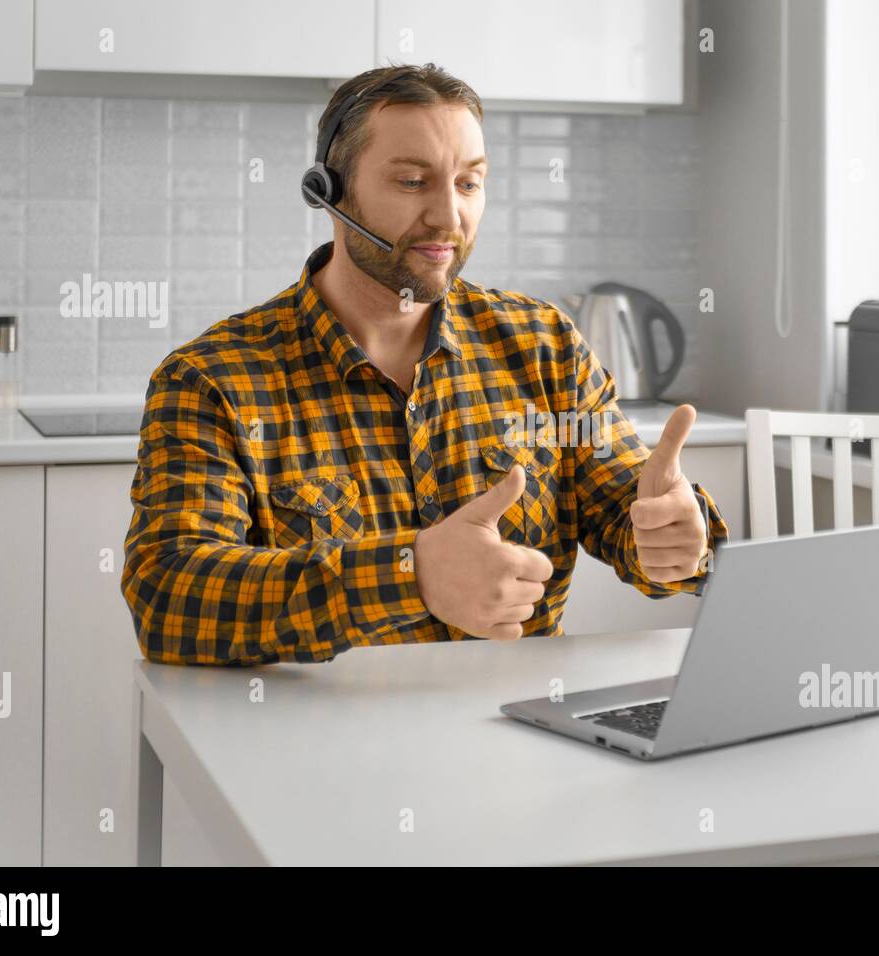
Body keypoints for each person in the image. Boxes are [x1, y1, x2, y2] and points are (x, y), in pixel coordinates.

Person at [120, 63, 728, 665]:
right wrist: (410, 576)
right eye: (413, 182)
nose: (448, 216)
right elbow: (168, 597)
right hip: (319, 744)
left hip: (522, 734)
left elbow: (633, 520)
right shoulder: (212, 380)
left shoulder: (545, 346)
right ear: (328, 192)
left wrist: (669, 540)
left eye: (468, 183)